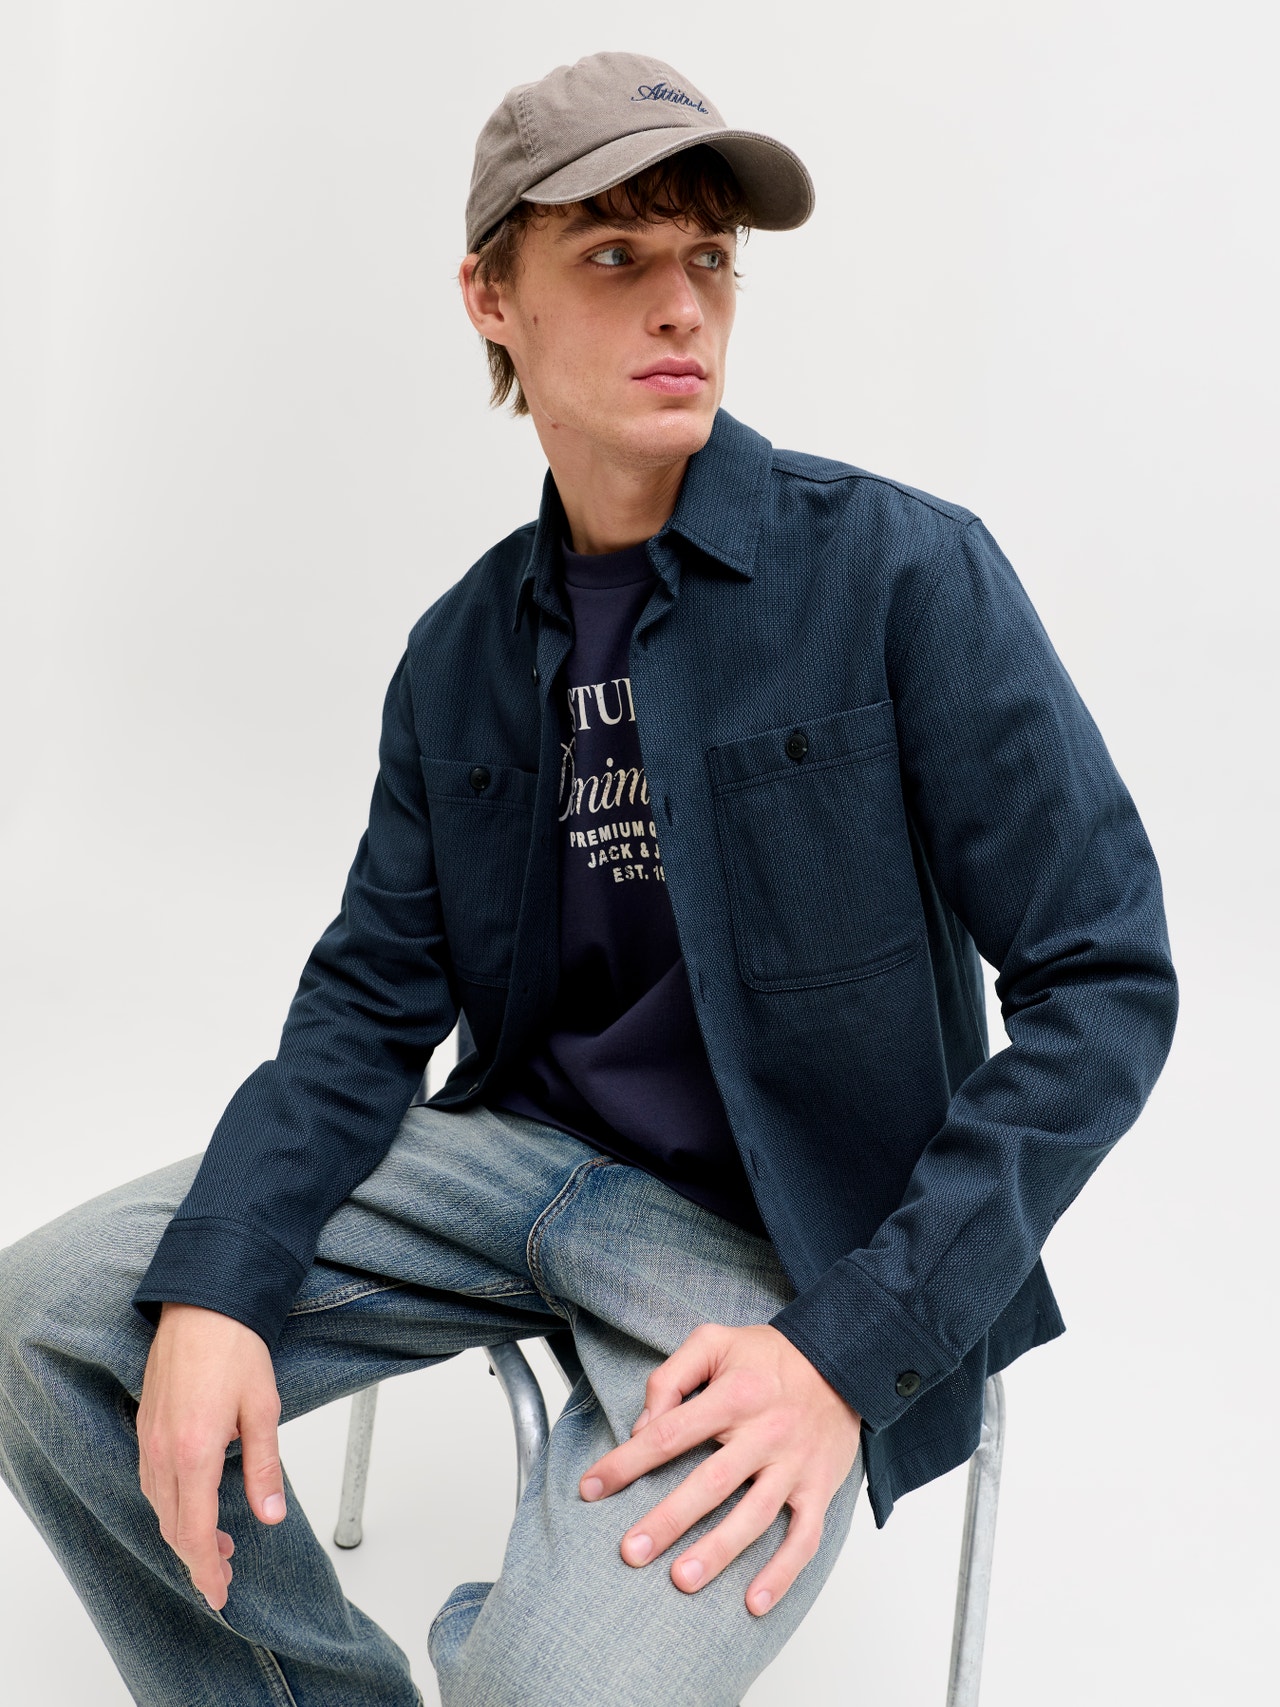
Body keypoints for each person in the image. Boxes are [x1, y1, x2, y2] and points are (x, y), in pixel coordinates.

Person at [0, 49, 1178, 1707]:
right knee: (50, 1327)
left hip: (769, 1248)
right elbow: (364, 1010)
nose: (681, 304)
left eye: (709, 258)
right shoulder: (461, 654)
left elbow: (1105, 980)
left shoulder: (901, 573)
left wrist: (849, 1350)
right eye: (615, 255)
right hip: (508, 1163)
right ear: (492, 297)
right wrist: (216, 1279)